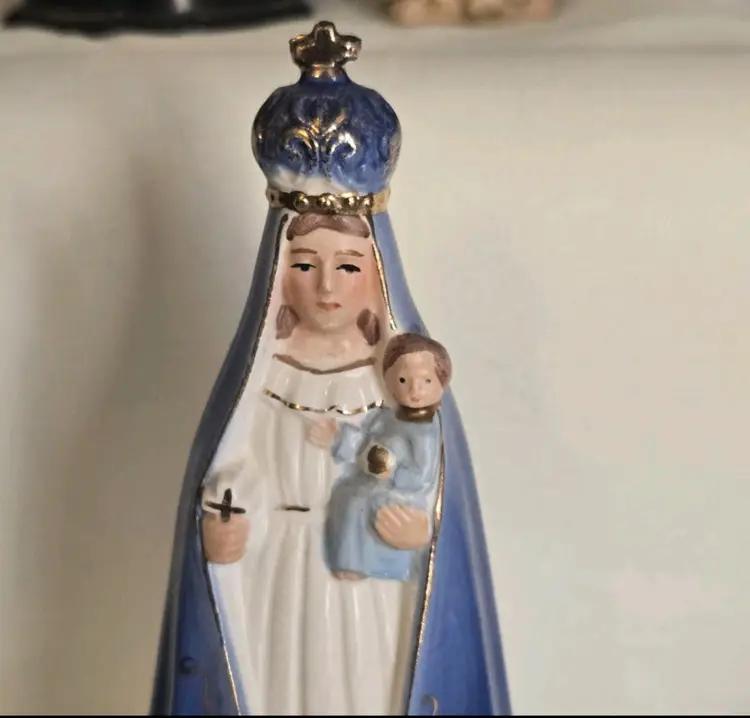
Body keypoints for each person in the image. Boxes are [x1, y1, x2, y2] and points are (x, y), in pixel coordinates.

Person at [151, 20, 512, 718]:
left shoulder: (402, 377)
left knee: (370, 686)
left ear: (375, 272)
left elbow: (428, 485)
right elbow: (237, 466)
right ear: (278, 274)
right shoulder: (259, 376)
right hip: (281, 577)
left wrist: (422, 531)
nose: (325, 288)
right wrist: (224, 520)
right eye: (305, 265)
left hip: (367, 577)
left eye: (347, 266)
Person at [310, 333, 452, 583]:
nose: (415, 390)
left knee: (361, 505)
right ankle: (345, 561)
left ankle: (364, 565)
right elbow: (366, 442)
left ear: (441, 382)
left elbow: (421, 476)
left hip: (398, 494)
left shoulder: (427, 431)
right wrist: (341, 437)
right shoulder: (386, 417)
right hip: (373, 480)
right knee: (346, 494)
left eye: (426, 381)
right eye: (403, 380)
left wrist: (390, 469)